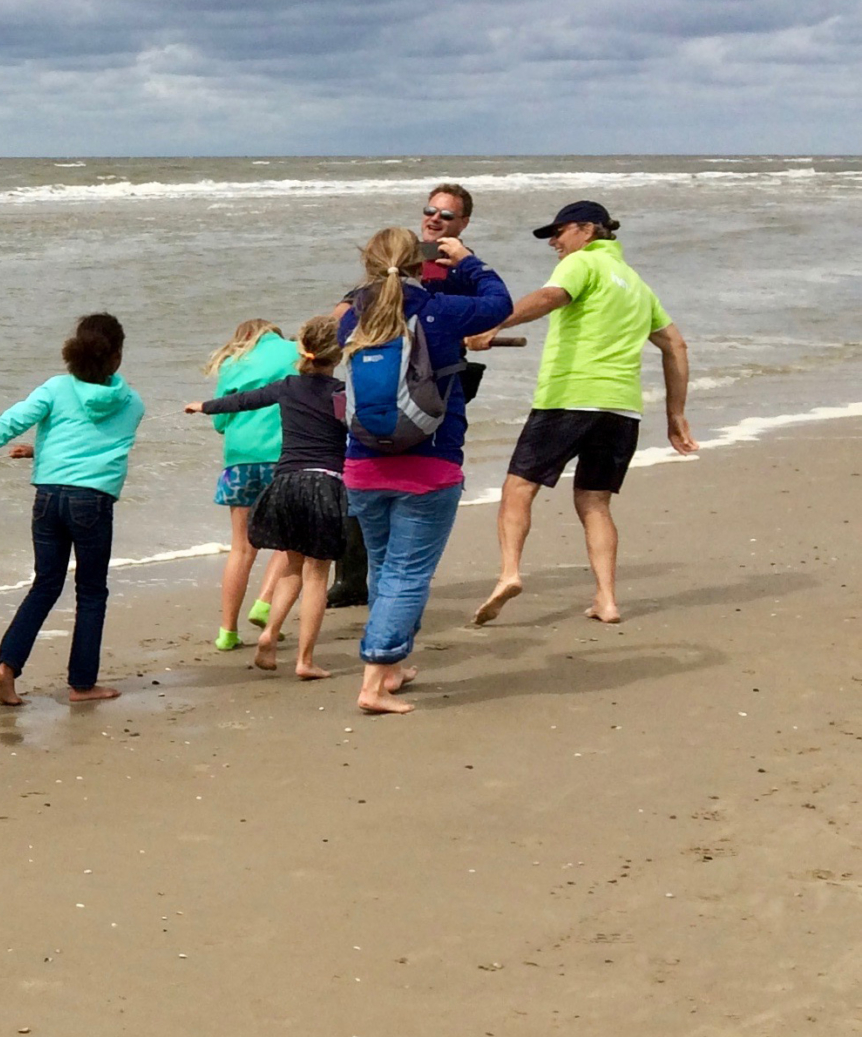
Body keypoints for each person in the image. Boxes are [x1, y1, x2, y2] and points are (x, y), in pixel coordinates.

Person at [471, 201, 695, 626]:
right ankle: (607, 600)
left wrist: (495, 324)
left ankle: (509, 573)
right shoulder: (636, 283)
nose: (554, 242)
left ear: (587, 230)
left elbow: (549, 297)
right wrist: (675, 414)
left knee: (519, 487)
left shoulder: (583, 265)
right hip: (622, 409)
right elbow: (675, 346)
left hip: (570, 397)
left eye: (559, 232)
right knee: (595, 503)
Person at [335, 229, 510, 714]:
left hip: (363, 467)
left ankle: (391, 668)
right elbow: (499, 304)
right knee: (407, 574)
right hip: (429, 466)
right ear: (420, 263)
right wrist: (469, 262)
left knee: (384, 567)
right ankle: (373, 678)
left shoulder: (352, 316)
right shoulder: (439, 312)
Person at [0, 314, 145, 706]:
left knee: (46, 584)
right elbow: (96, 443)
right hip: (93, 501)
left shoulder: (56, 387)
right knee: (91, 591)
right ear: (116, 358)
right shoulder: (132, 403)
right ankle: (83, 685)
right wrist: (44, 450)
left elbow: (8, 424)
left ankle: (7, 667)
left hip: (48, 496)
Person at [184, 315, 348, 680]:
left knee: (289, 562)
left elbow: (244, 401)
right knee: (316, 574)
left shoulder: (286, 387)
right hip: (322, 483)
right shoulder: (339, 393)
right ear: (336, 356)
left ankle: (269, 635)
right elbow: (348, 431)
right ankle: (304, 660)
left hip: (285, 483)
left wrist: (204, 406)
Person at [200, 319, 300, 651]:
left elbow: (219, 422)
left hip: (239, 460)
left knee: (242, 547)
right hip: (282, 457)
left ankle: (227, 631)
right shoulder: (294, 351)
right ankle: (265, 602)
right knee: (291, 540)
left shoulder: (232, 362)